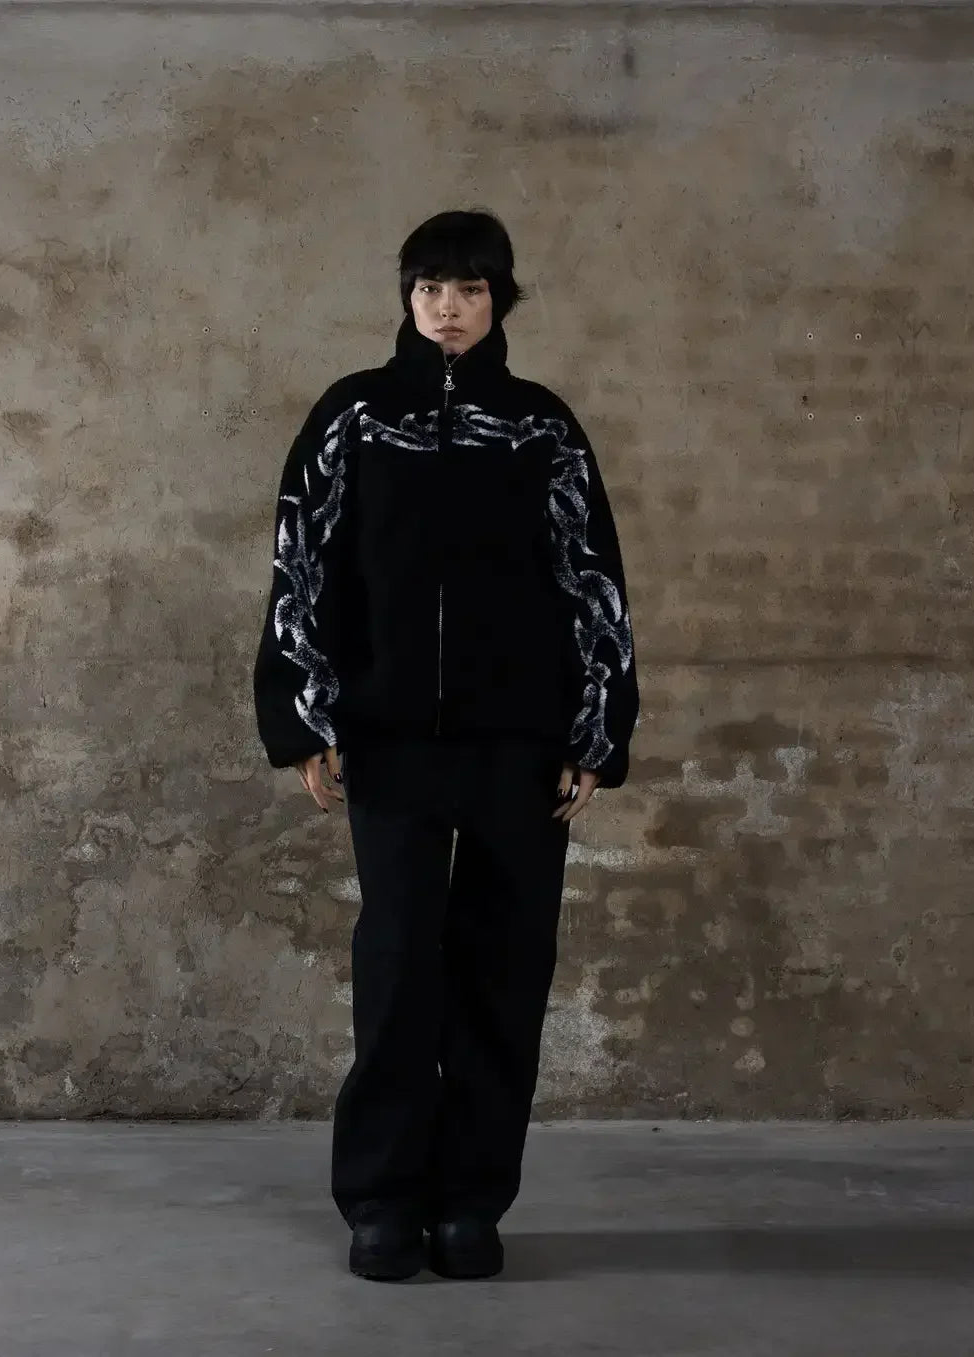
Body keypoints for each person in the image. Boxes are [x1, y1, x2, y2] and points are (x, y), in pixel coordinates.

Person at [253, 210, 639, 1282]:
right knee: (396, 967)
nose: (447, 307)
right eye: (429, 286)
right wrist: (304, 717)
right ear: (406, 296)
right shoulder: (353, 416)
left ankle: (471, 1203)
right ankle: (381, 1202)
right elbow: (300, 565)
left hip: (519, 745)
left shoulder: (540, 426)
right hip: (389, 742)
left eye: (468, 288)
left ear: (500, 299)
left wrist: (596, 731)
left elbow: (591, 577)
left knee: (501, 974)